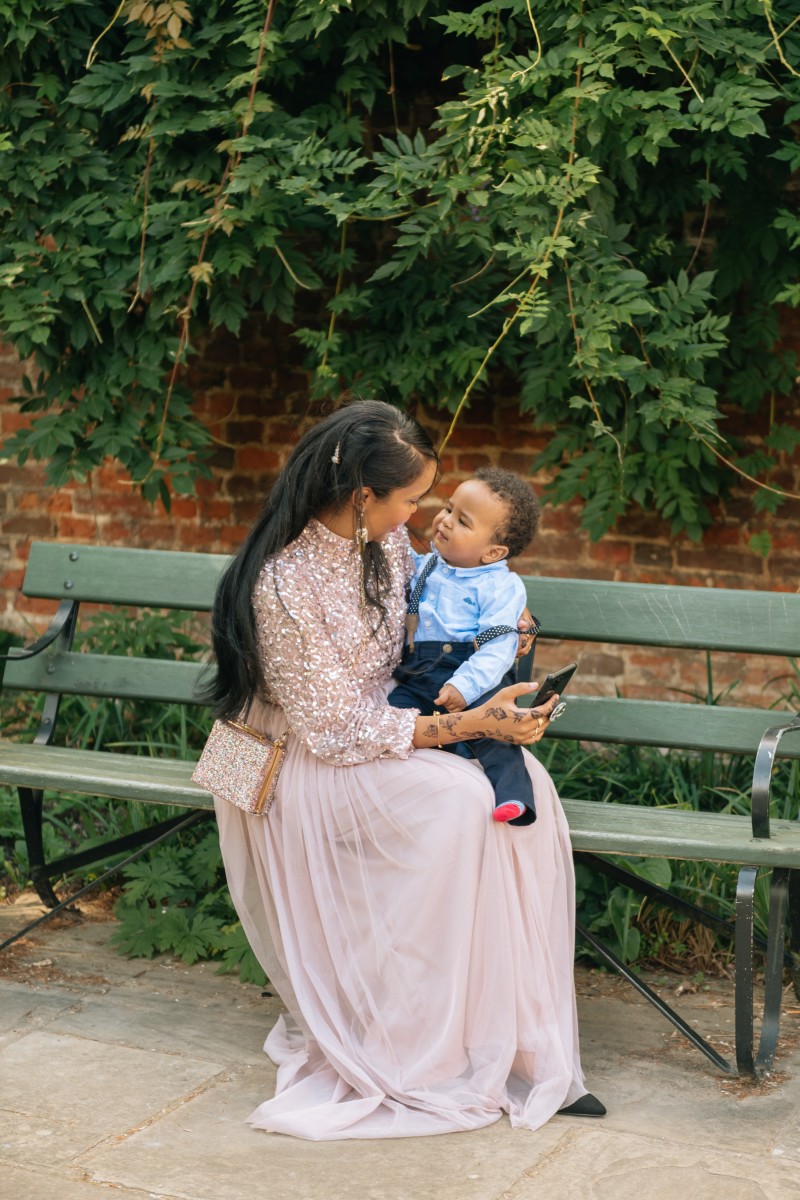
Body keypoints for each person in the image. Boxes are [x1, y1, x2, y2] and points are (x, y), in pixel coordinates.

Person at [204, 398, 604, 1141]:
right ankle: (419, 1043)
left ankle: (514, 1040)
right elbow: (334, 728)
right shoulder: (283, 584)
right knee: (453, 802)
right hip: (299, 756)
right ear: (364, 497)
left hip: (386, 719)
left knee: (523, 793)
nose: (421, 518)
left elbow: (446, 613)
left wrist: (501, 657)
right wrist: (470, 724)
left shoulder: (385, 547)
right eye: (412, 500)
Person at [388, 466, 541, 827]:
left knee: (496, 740)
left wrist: (465, 685)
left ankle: (515, 800)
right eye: (448, 508)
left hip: (472, 674)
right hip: (418, 675)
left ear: (493, 552)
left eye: (463, 521)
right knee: (395, 718)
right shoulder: (427, 565)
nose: (444, 521)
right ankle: (406, 794)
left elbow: (500, 646)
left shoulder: (500, 586)